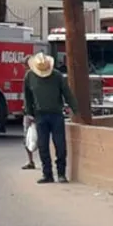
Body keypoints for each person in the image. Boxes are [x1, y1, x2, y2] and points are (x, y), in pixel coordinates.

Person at [23, 52, 78, 184]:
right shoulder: (29, 76)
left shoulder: (57, 76)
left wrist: (75, 109)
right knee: (43, 146)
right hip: (39, 115)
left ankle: (61, 173)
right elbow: (27, 96)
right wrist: (29, 113)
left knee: (60, 145)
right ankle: (47, 174)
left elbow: (67, 93)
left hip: (56, 114)